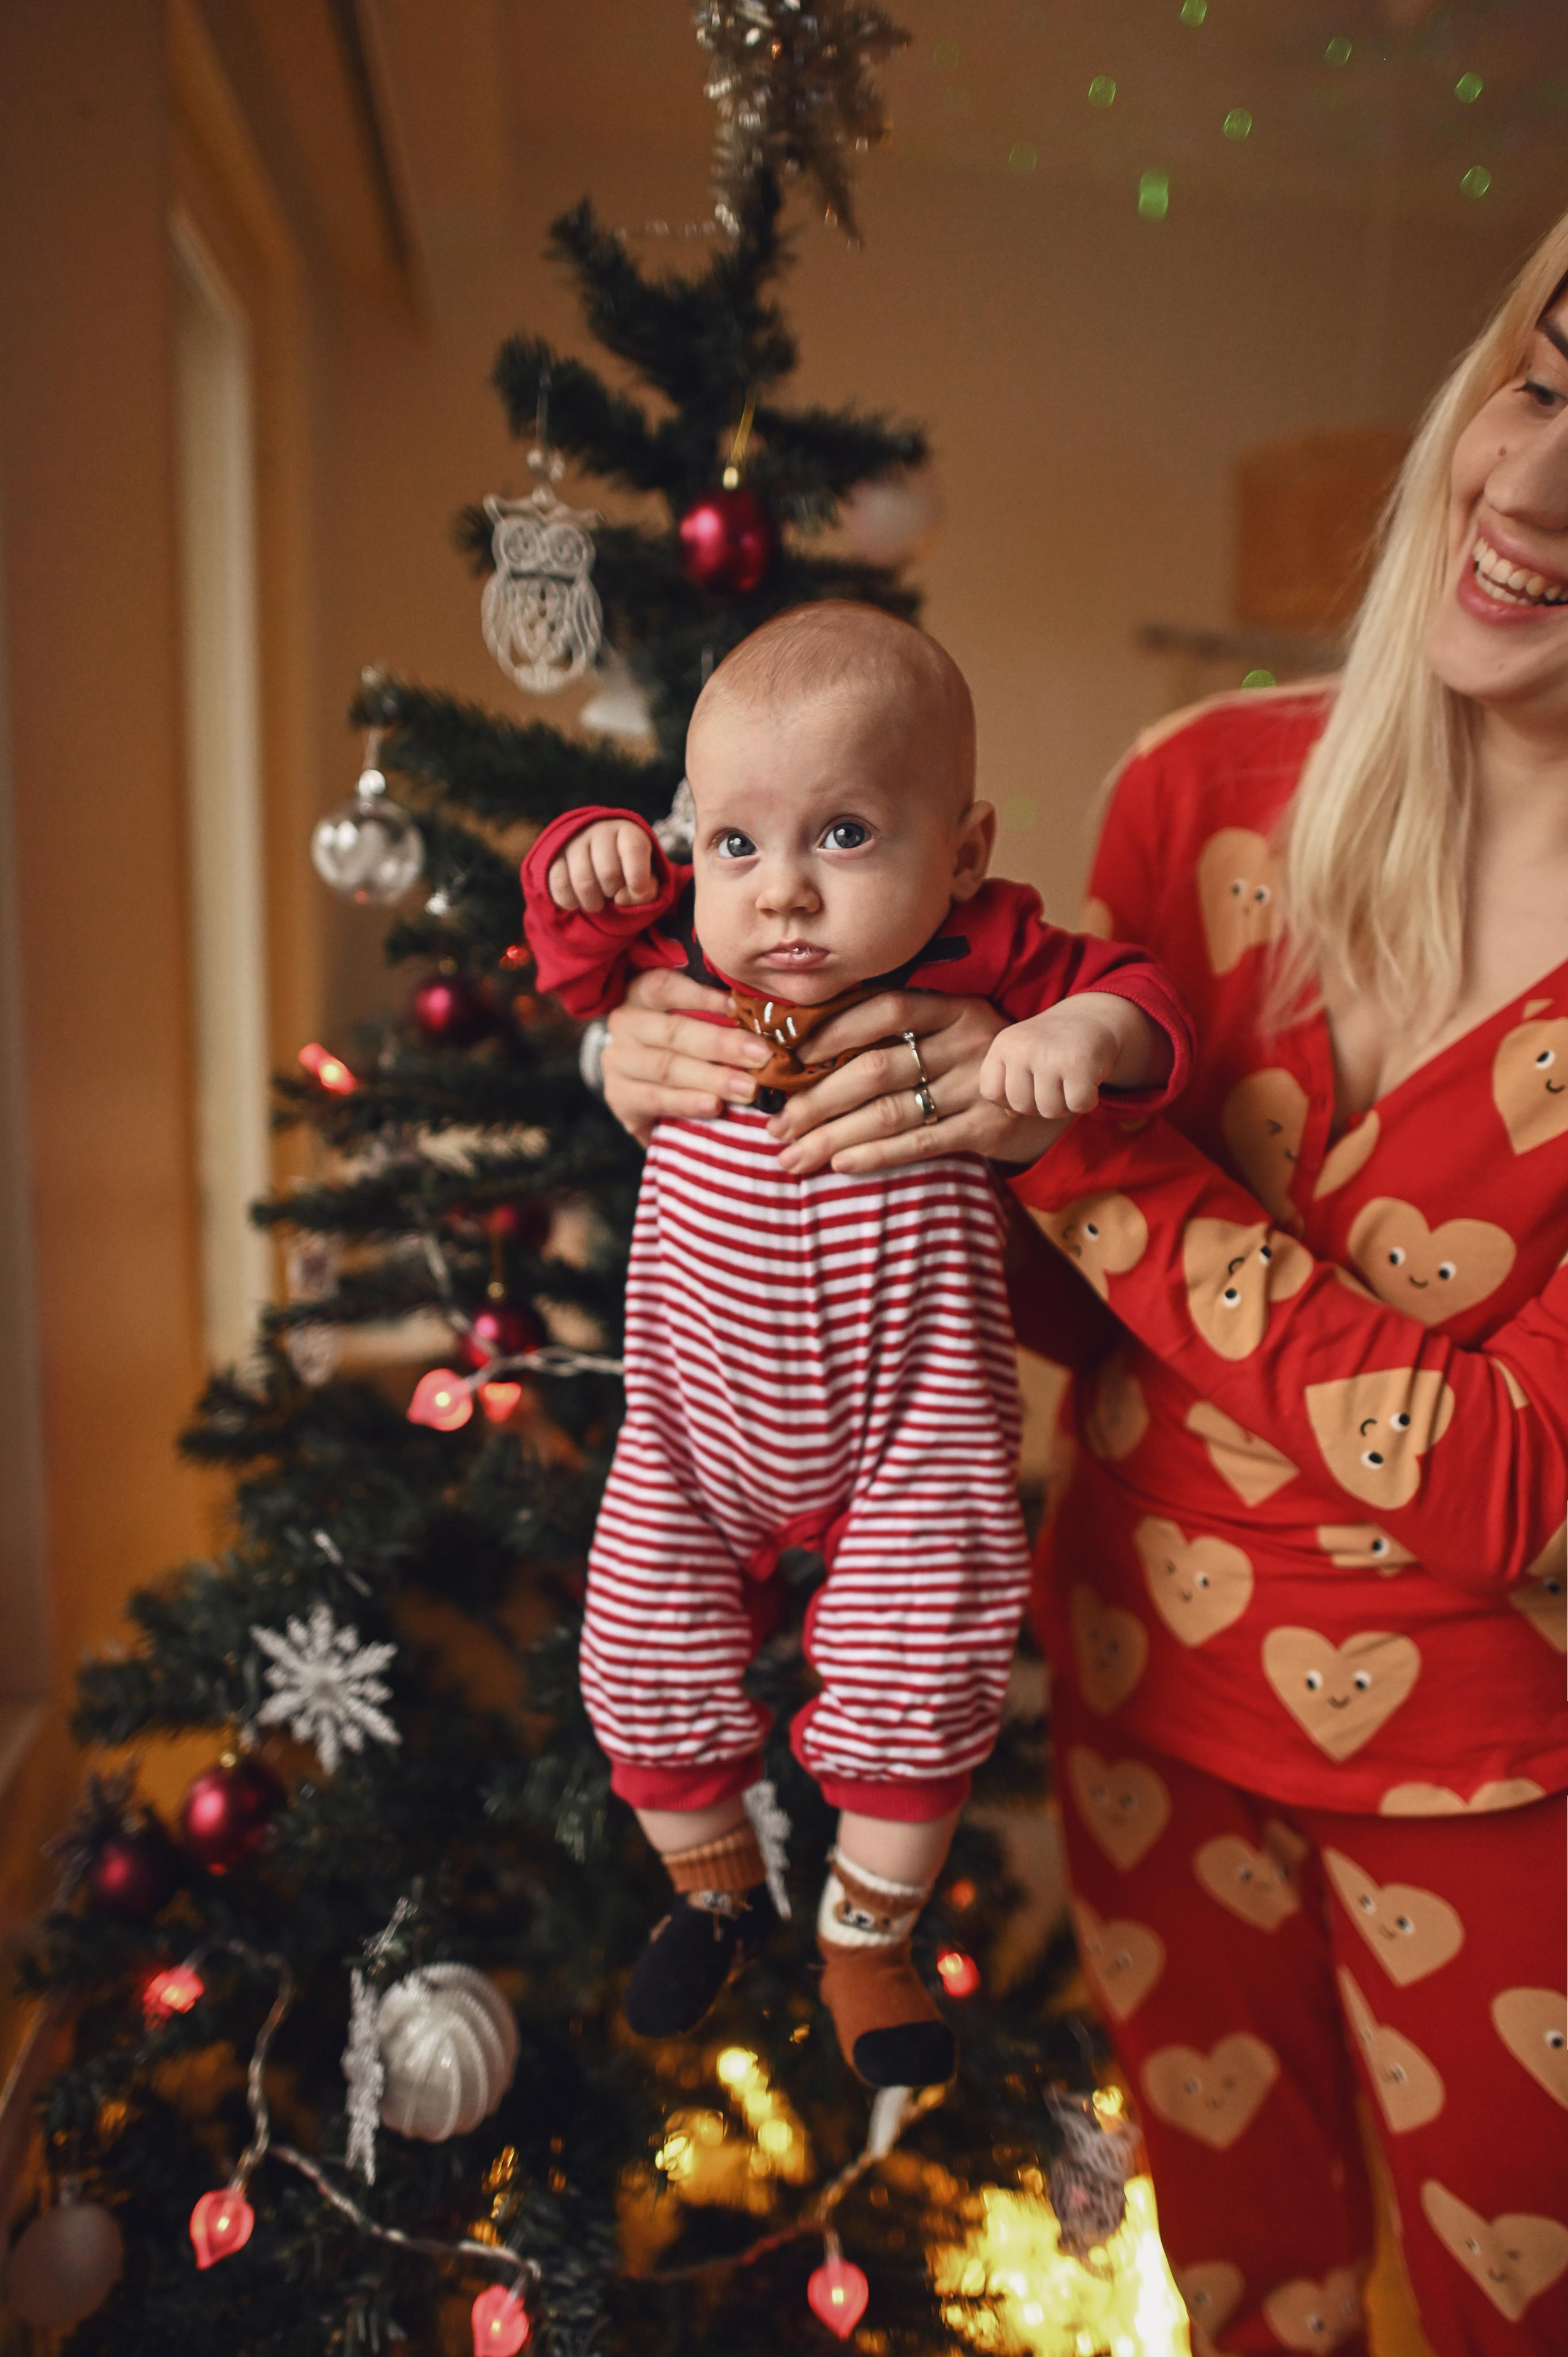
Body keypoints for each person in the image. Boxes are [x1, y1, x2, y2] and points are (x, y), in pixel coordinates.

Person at [591, 217, 1568, 2355]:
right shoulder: (1206, 789)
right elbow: (1037, 1311)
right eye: (1550, 380)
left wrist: (1074, 1147)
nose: (1542, 487)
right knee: (1247, 2292)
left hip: (1502, 1780)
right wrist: (673, 1068)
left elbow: (1510, 1479)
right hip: (1140, 1697)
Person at [521, 603, 1192, 2089]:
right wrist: (583, 854)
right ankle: (710, 1893)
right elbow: (562, 936)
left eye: (842, 835)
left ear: (958, 853)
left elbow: (1149, 1003)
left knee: (928, 1657)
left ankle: (864, 1942)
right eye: (737, 844)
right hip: (694, 1435)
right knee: (635, 1638)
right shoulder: (668, 958)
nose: (781, 897)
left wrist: (1084, 1038)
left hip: (910, 1442)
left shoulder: (985, 955)